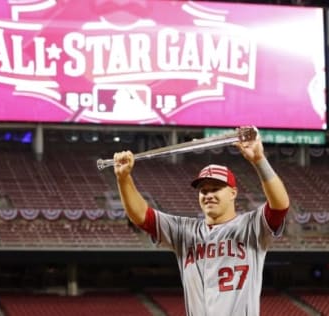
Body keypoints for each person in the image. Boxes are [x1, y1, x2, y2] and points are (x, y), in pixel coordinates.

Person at [113, 126, 290, 316]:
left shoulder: (250, 227)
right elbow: (141, 216)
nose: (209, 195)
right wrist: (124, 179)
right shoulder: (183, 231)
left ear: (233, 193)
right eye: (204, 191)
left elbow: (280, 206)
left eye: (216, 189)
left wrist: (259, 160)